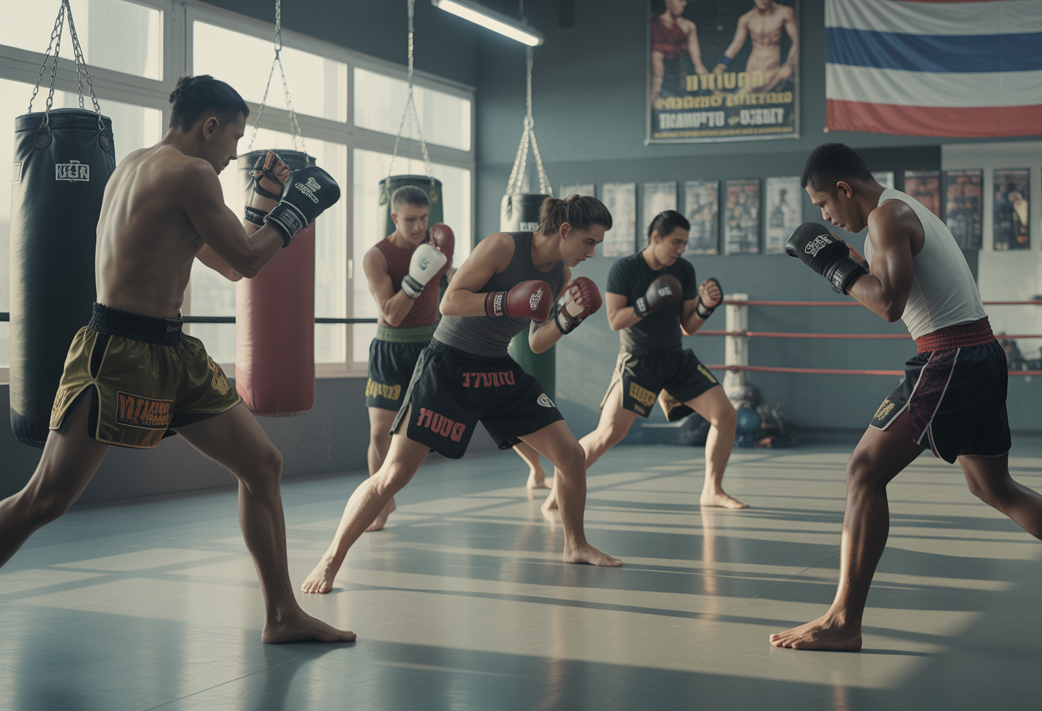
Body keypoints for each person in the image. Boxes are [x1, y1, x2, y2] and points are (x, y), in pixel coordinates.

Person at [0, 75, 352, 643]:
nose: (235, 152)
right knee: (46, 499)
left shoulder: (136, 166)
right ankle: (283, 613)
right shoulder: (189, 173)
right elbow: (250, 259)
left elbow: (228, 264)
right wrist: (297, 209)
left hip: (171, 351)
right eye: (234, 137)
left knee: (262, 465)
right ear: (209, 126)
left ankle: (282, 614)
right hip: (118, 351)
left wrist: (266, 207)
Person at [769, 143, 1042, 652]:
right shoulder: (900, 206)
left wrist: (832, 269)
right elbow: (891, 280)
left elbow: (888, 303)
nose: (824, 216)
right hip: (981, 353)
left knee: (864, 470)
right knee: (992, 486)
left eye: (823, 204)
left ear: (844, 188)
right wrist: (845, 258)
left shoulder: (887, 217)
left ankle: (844, 620)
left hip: (950, 357)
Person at [302, 195, 622, 595]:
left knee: (571, 456)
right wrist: (506, 300)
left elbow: (537, 342)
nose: (592, 253)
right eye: (589, 242)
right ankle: (331, 558)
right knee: (394, 473)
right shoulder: (503, 247)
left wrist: (567, 318)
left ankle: (575, 545)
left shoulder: (560, 276)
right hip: (448, 365)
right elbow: (448, 301)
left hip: (497, 367)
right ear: (564, 231)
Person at [537, 210, 747, 513]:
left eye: (685, 244)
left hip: (676, 359)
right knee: (608, 434)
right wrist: (647, 302)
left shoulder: (684, 270)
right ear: (655, 237)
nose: (680, 249)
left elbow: (688, 325)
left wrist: (706, 306)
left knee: (726, 414)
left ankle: (712, 490)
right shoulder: (626, 269)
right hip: (639, 362)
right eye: (676, 242)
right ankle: (560, 488)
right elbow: (614, 320)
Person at [361, 186, 455, 531]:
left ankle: (536, 469)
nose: (418, 228)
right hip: (390, 347)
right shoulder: (377, 256)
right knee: (378, 433)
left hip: (428, 348)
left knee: (419, 436)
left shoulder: (436, 248)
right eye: (411, 220)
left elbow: (453, 288)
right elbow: (391, 314)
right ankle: (380, 502)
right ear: (395, 217)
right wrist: (416, 280)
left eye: (424, 219)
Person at [712, 0, 799, 93]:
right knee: (745, 101)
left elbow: (797, 40)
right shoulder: (746, 19)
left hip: (773, 69)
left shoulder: (784, 12)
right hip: (753, 68)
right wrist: (721, 66)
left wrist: (788, 65)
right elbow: (736, 44)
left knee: (746, 98)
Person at [651, 0, 710, 103]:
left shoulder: (689, 26)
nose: (684, 4)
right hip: (659, 83)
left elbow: (698, 64)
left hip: (679, 81)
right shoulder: (655, 25)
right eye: (680, 0)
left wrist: (713, 89)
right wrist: (654, 94)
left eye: (685, 0)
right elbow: (657, 68)